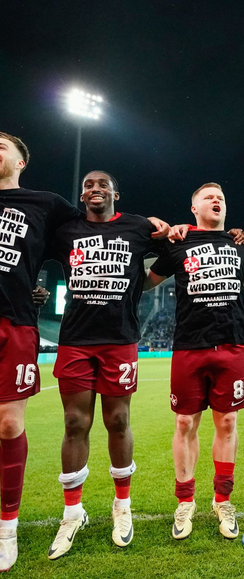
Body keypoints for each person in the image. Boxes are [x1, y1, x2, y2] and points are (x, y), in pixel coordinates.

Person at [46, 171, 169, 559]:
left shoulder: (138, 226)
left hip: (120, 340)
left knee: (117, 421)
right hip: (76, 339)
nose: (94, 188)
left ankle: (122, 507)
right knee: (74, 423)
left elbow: (174, 249)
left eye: (101, 184)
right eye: (87, 184)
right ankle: (72, 513)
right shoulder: (66, 230)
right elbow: (30, 252)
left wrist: (145, 280)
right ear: (81, 196)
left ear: (116, 192)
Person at [146, 183, 244, 540]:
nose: (217, 201)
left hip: (231, 345)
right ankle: (185, 501)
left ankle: (222, 499)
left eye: (222, 198)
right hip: (189, 346)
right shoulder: (178, 241)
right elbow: (147, 283)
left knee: (227, 422)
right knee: (184, 423)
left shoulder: (238, 245)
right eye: (209, 197)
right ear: (193, 207)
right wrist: (156, 235)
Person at [0, 132, 83, 570]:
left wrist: (150, 229)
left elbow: (90, 229)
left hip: (13, 322)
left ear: (20, 161)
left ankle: (5, 529)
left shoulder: (44, 204)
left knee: (10, 424)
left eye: (1, 144)